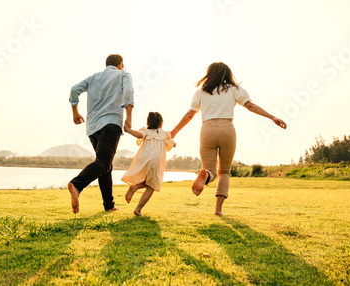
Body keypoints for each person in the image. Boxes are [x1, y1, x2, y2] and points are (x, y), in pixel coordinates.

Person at [170, 62, 286, 215]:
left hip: (207, 129)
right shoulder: (234, 90)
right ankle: (218, 210)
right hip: (227, 129)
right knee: (224, 172)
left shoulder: (201, 92)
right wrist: (272, 117)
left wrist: (174, 132)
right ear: (227, 74)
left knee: (211, 170)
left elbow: (190, 114)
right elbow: (250, 106)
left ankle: (205, 174)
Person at [68, 54, 134, 214]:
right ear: (120, 64)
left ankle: (108, 204)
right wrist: (129, 118)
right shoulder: (123, 74)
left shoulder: (93, 78)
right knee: (104, 162)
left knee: (106, 165)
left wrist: (75, 113)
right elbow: (129, 92)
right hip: (111, 123)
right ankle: (77, 184)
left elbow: (74, 90)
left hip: (93, 128)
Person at [121, 112, 176, 216]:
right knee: (152, 185)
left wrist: (128, 130)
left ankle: (135, 187)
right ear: (161, 123)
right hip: (156, 161)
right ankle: (138, 208)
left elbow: (139, 135)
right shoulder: (164, 133)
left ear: (148, 122)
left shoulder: (146, 131)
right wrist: (174, 144)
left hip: (144, 159)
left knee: (148, 181)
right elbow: (172, 143)